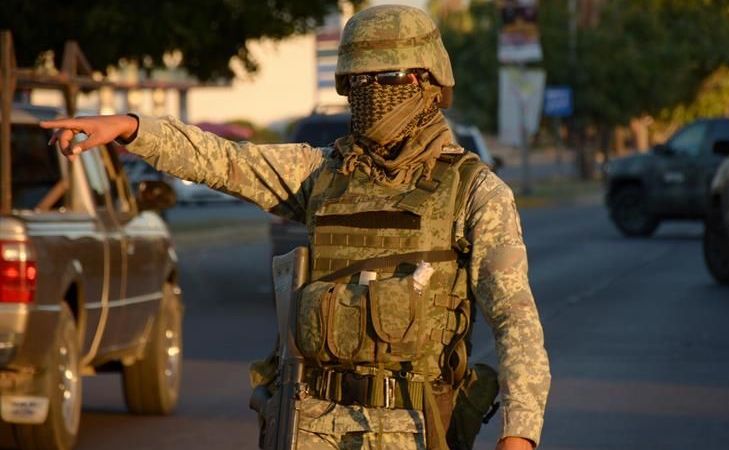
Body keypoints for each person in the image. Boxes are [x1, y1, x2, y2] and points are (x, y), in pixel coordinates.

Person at [41, 5, 550, 449]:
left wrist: (519, 433)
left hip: (416, 426)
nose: (370, 93)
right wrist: (133, 129)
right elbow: (226, 161)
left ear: (425, 81)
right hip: (312, 424)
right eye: (356, 83)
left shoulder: (475, 192)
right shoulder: (321, 173)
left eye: (386, 79)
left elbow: (516, 321)